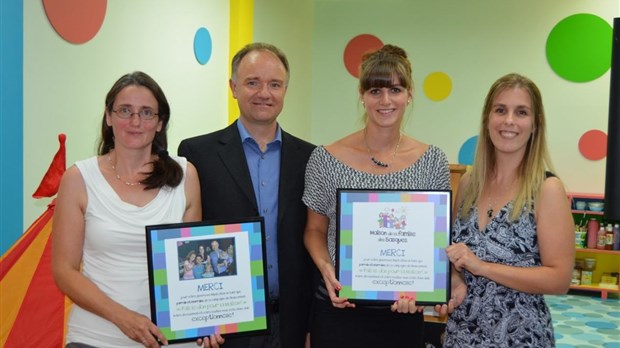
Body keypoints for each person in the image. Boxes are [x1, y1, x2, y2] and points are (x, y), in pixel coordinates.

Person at [302, 44, 453, 348]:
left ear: (409, 94)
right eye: (374, 91)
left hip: (402, 313)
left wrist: (428, 289)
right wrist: (326, 269)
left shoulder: (433, 160)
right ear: (361, 95)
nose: (385, 101)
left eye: (395, 90)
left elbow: (437, 241)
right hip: (338, 309)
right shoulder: (325, 158)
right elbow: (314, 230)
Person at [178, 42, 316, 348]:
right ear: (233, 87)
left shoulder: (311, 157)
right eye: (253, 82)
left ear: (285, 90)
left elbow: (315, 240)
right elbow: (189, 239)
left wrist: (313, 326)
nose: (264, 93)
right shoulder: (196, 154)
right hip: (225, 326)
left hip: (292, 323)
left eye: (274, 84)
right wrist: (198, 319)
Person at [52, 71, 202, 348]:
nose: (135, 122)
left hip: (172, 340)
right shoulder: (78, 179)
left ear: (160, 123)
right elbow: (64, 270)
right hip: (97, 338)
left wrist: (208, 321)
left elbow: (191, 264)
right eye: (125, 111)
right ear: (109, 117)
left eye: (146, 113)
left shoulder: (185, 176)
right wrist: (124, 318)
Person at [443, 73, 574, 347]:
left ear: (535, 124)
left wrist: (483, 268)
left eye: (521, 112)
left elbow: (559, 278)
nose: (509, 121)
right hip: (462, 335)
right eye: (500, 110)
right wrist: (456, 282)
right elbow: (455, 256)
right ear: (487, 119)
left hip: (520, 337)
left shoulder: (546, 189)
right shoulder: (468, 184)